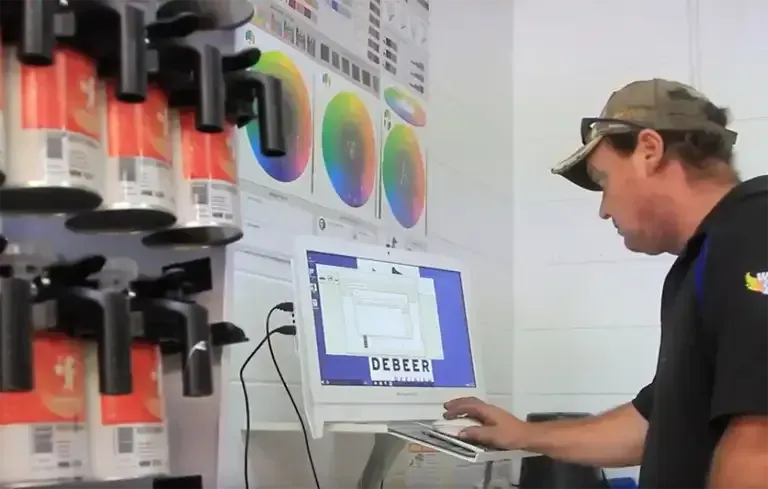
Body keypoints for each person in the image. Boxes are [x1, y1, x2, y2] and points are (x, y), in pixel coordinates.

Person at [443, 79, 768, 489]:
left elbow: (760, 446)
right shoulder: (707, 256)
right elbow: (652, 426)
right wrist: (522, 435)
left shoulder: (753, 231)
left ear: (649, 150)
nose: (604, 208)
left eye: (603, 180)